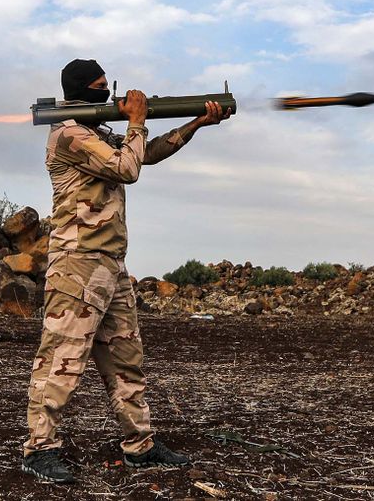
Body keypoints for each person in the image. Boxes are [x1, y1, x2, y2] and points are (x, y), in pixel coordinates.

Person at [22, 58, 230, 483]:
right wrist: (137, 119)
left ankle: (140, 445)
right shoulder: (69, 134)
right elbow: (127, 169)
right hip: (77, 265)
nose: (108, 91)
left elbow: (146, 154)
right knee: (61, 360)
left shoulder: (95, 131)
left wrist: (195, 124)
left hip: (110, 266)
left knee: (125, 359)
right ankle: (39, 449)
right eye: (101, 86)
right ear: (83, 91)